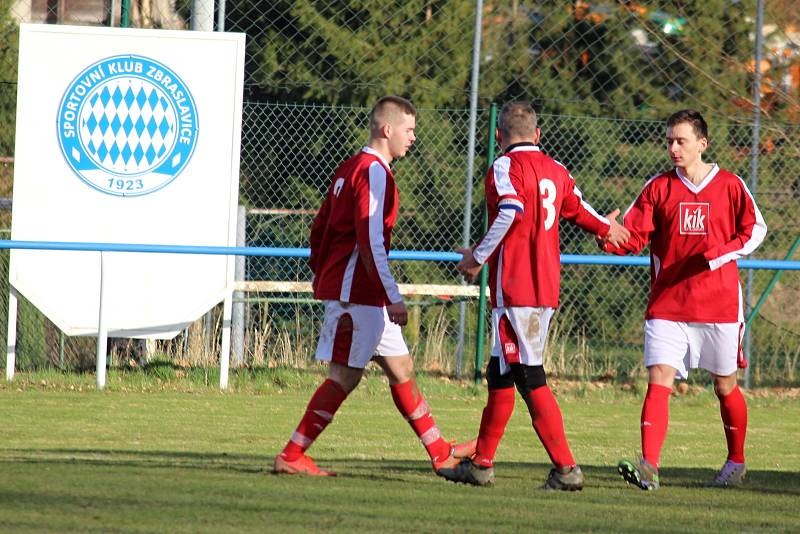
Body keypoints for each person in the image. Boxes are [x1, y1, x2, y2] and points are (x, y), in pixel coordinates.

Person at [273, 96, 475, 477]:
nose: (413, 138)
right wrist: (392, 296)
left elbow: (320, 229)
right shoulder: (374, 171)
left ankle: (439, 452)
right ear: (387, 129)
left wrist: (322, 270)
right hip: (359, 294)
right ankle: (291, 455)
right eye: (409, 130)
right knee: (344, 377)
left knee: (401, 368)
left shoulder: (350, 167)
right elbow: (370, 239)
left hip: (357, 291)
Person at [440, 101, 629, 490]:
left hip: (517, 288)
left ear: (498, 136)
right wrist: (605, 229)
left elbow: (510, 209)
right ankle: (481, 465)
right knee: (500, 372)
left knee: (527, 375)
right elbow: (578, 207)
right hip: (545, 287)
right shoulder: (556, 169)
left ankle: (566, 470)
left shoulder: (504, 167)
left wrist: (477, 256)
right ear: (538, 135)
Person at [601, 109, 767, 490]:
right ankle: (649, 467)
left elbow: (756, 228)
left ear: (702, 144)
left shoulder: (729, 184)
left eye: (682, 141)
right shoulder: (658, 187)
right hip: (669, 304)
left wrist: (721, 253)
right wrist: (609, 234)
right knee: (659, 378)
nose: (674, 148)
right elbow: (634, 237)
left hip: (719, 305)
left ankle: (736, 461)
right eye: (670, 141)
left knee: (725, 385)